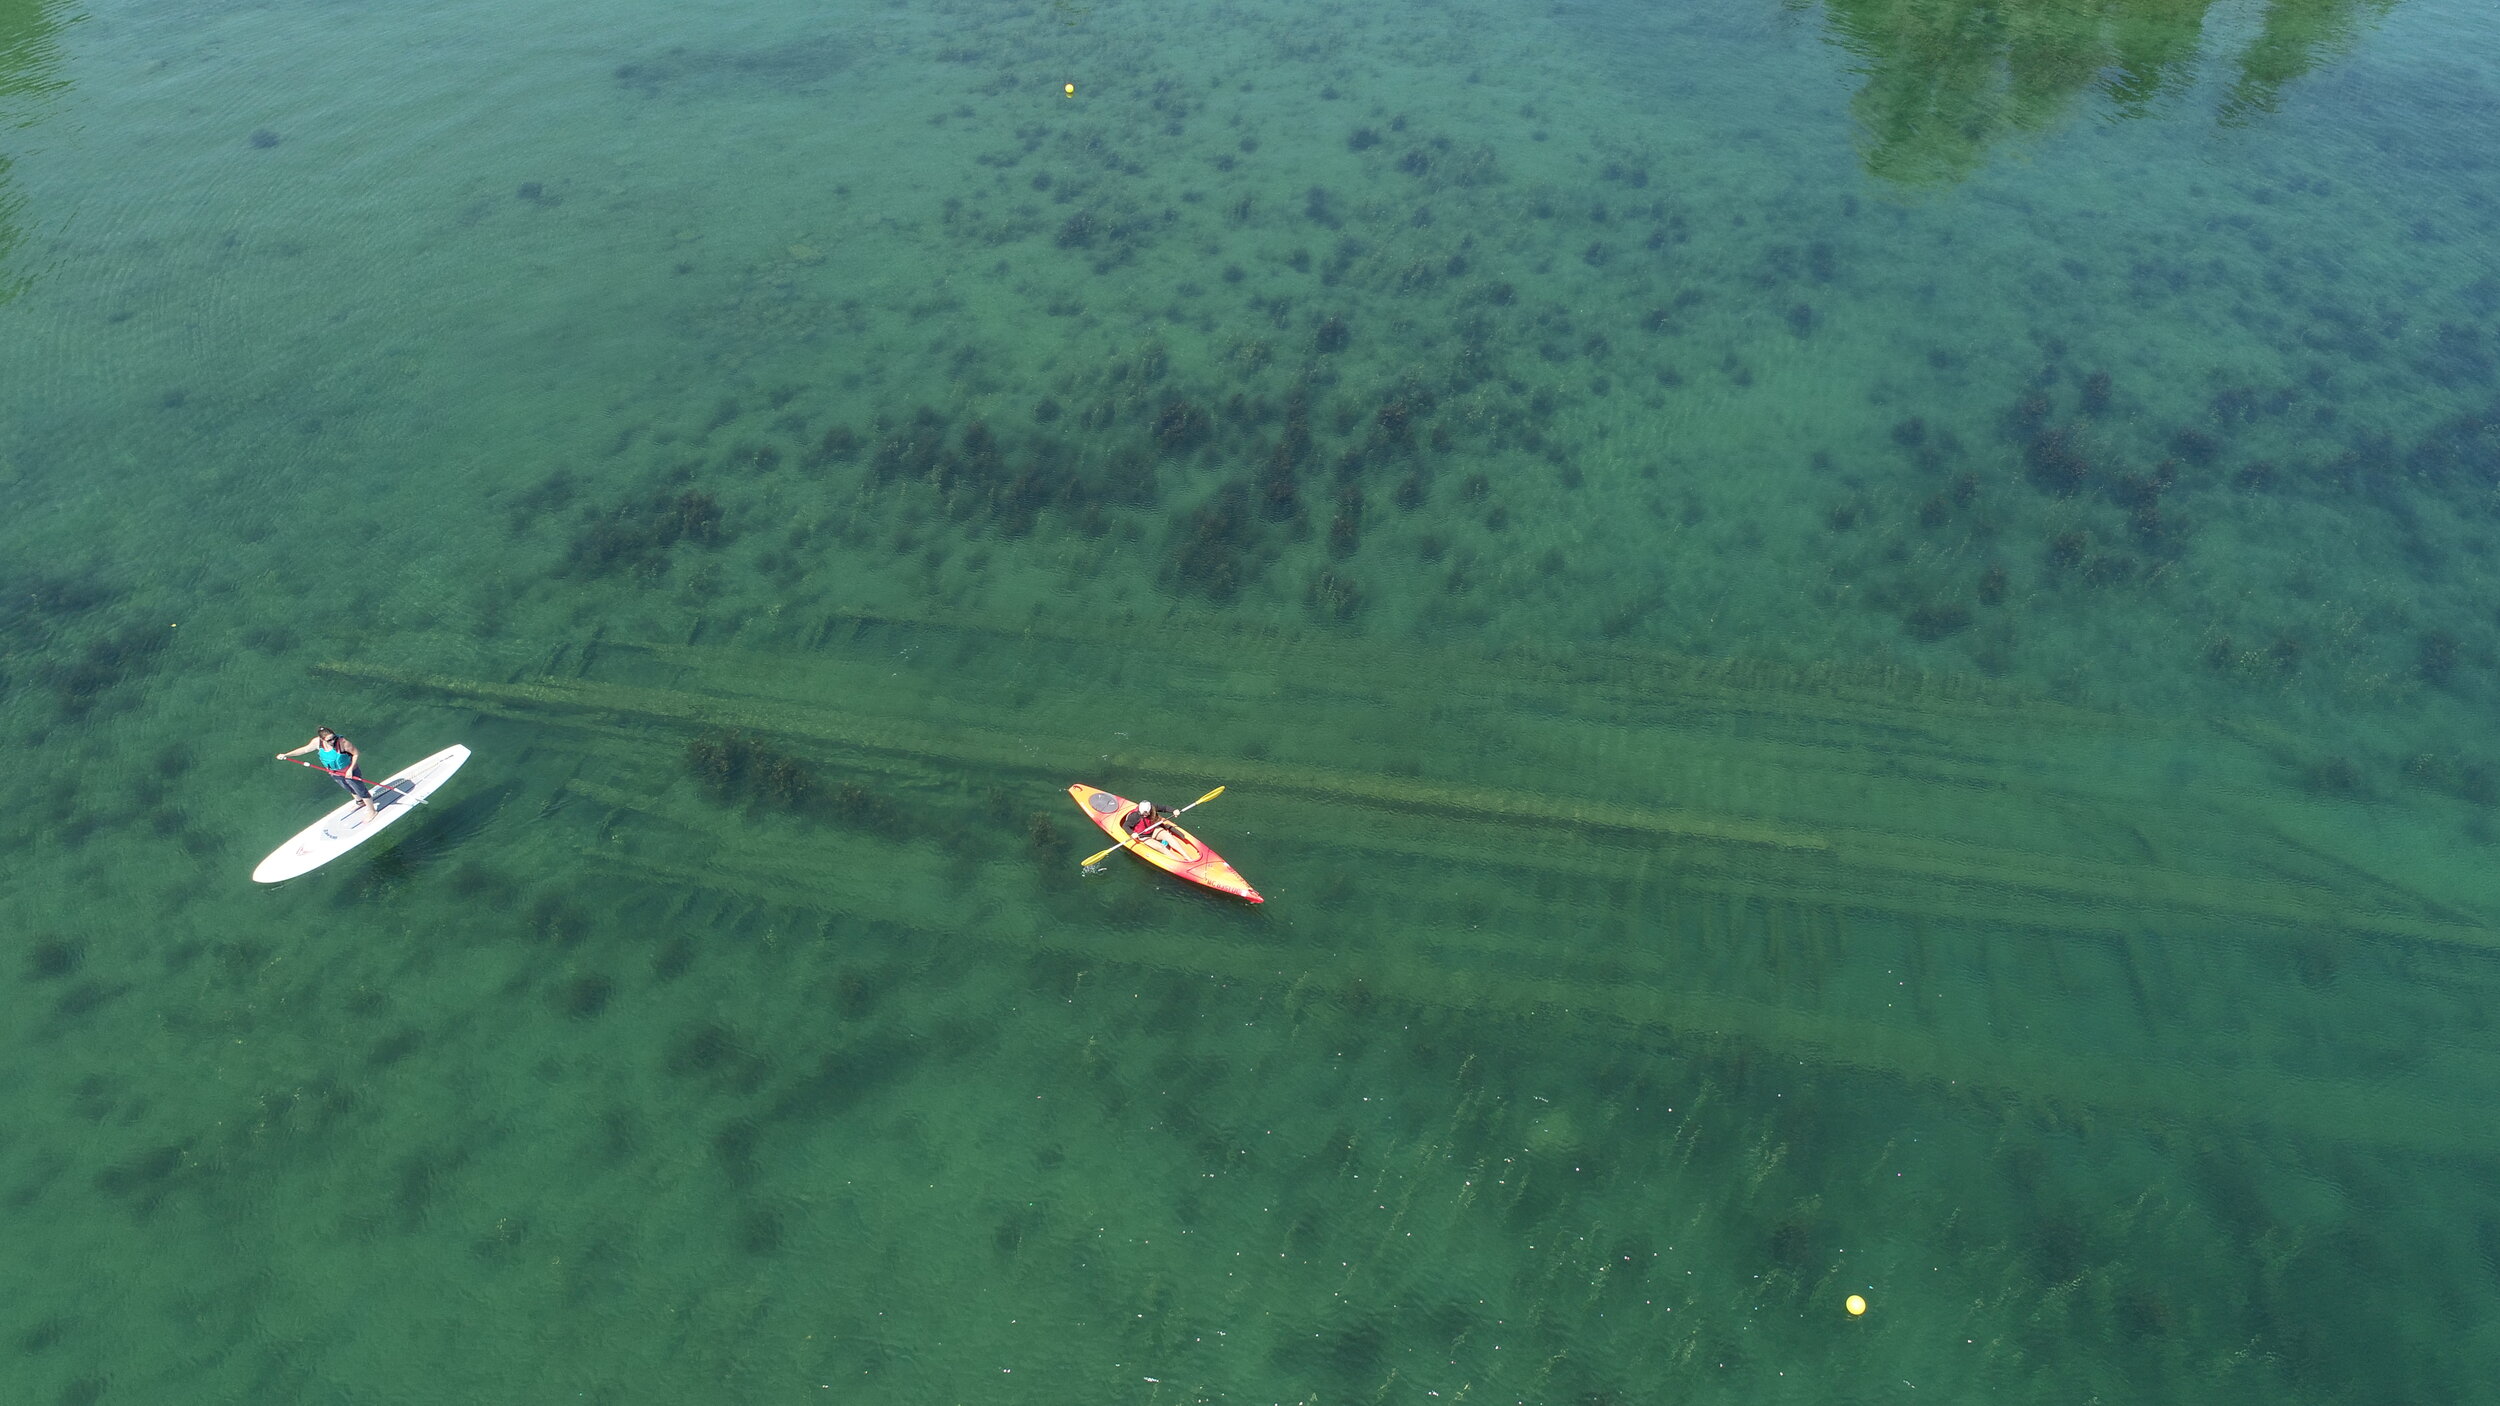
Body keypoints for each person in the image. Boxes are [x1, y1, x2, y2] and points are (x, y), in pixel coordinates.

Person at [280, 727, 379, 821]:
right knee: (348, 788)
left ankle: (372, 811)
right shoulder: (317, 742)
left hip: (349, 771)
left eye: (333, 738)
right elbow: (304, 749)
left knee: (360, 790)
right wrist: (286, 755)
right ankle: (360, 802)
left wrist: (350, 769)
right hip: (334, 772)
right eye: (329, 740)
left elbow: (356, 754)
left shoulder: (343, 743)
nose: (332, 741)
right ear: (322, 739)